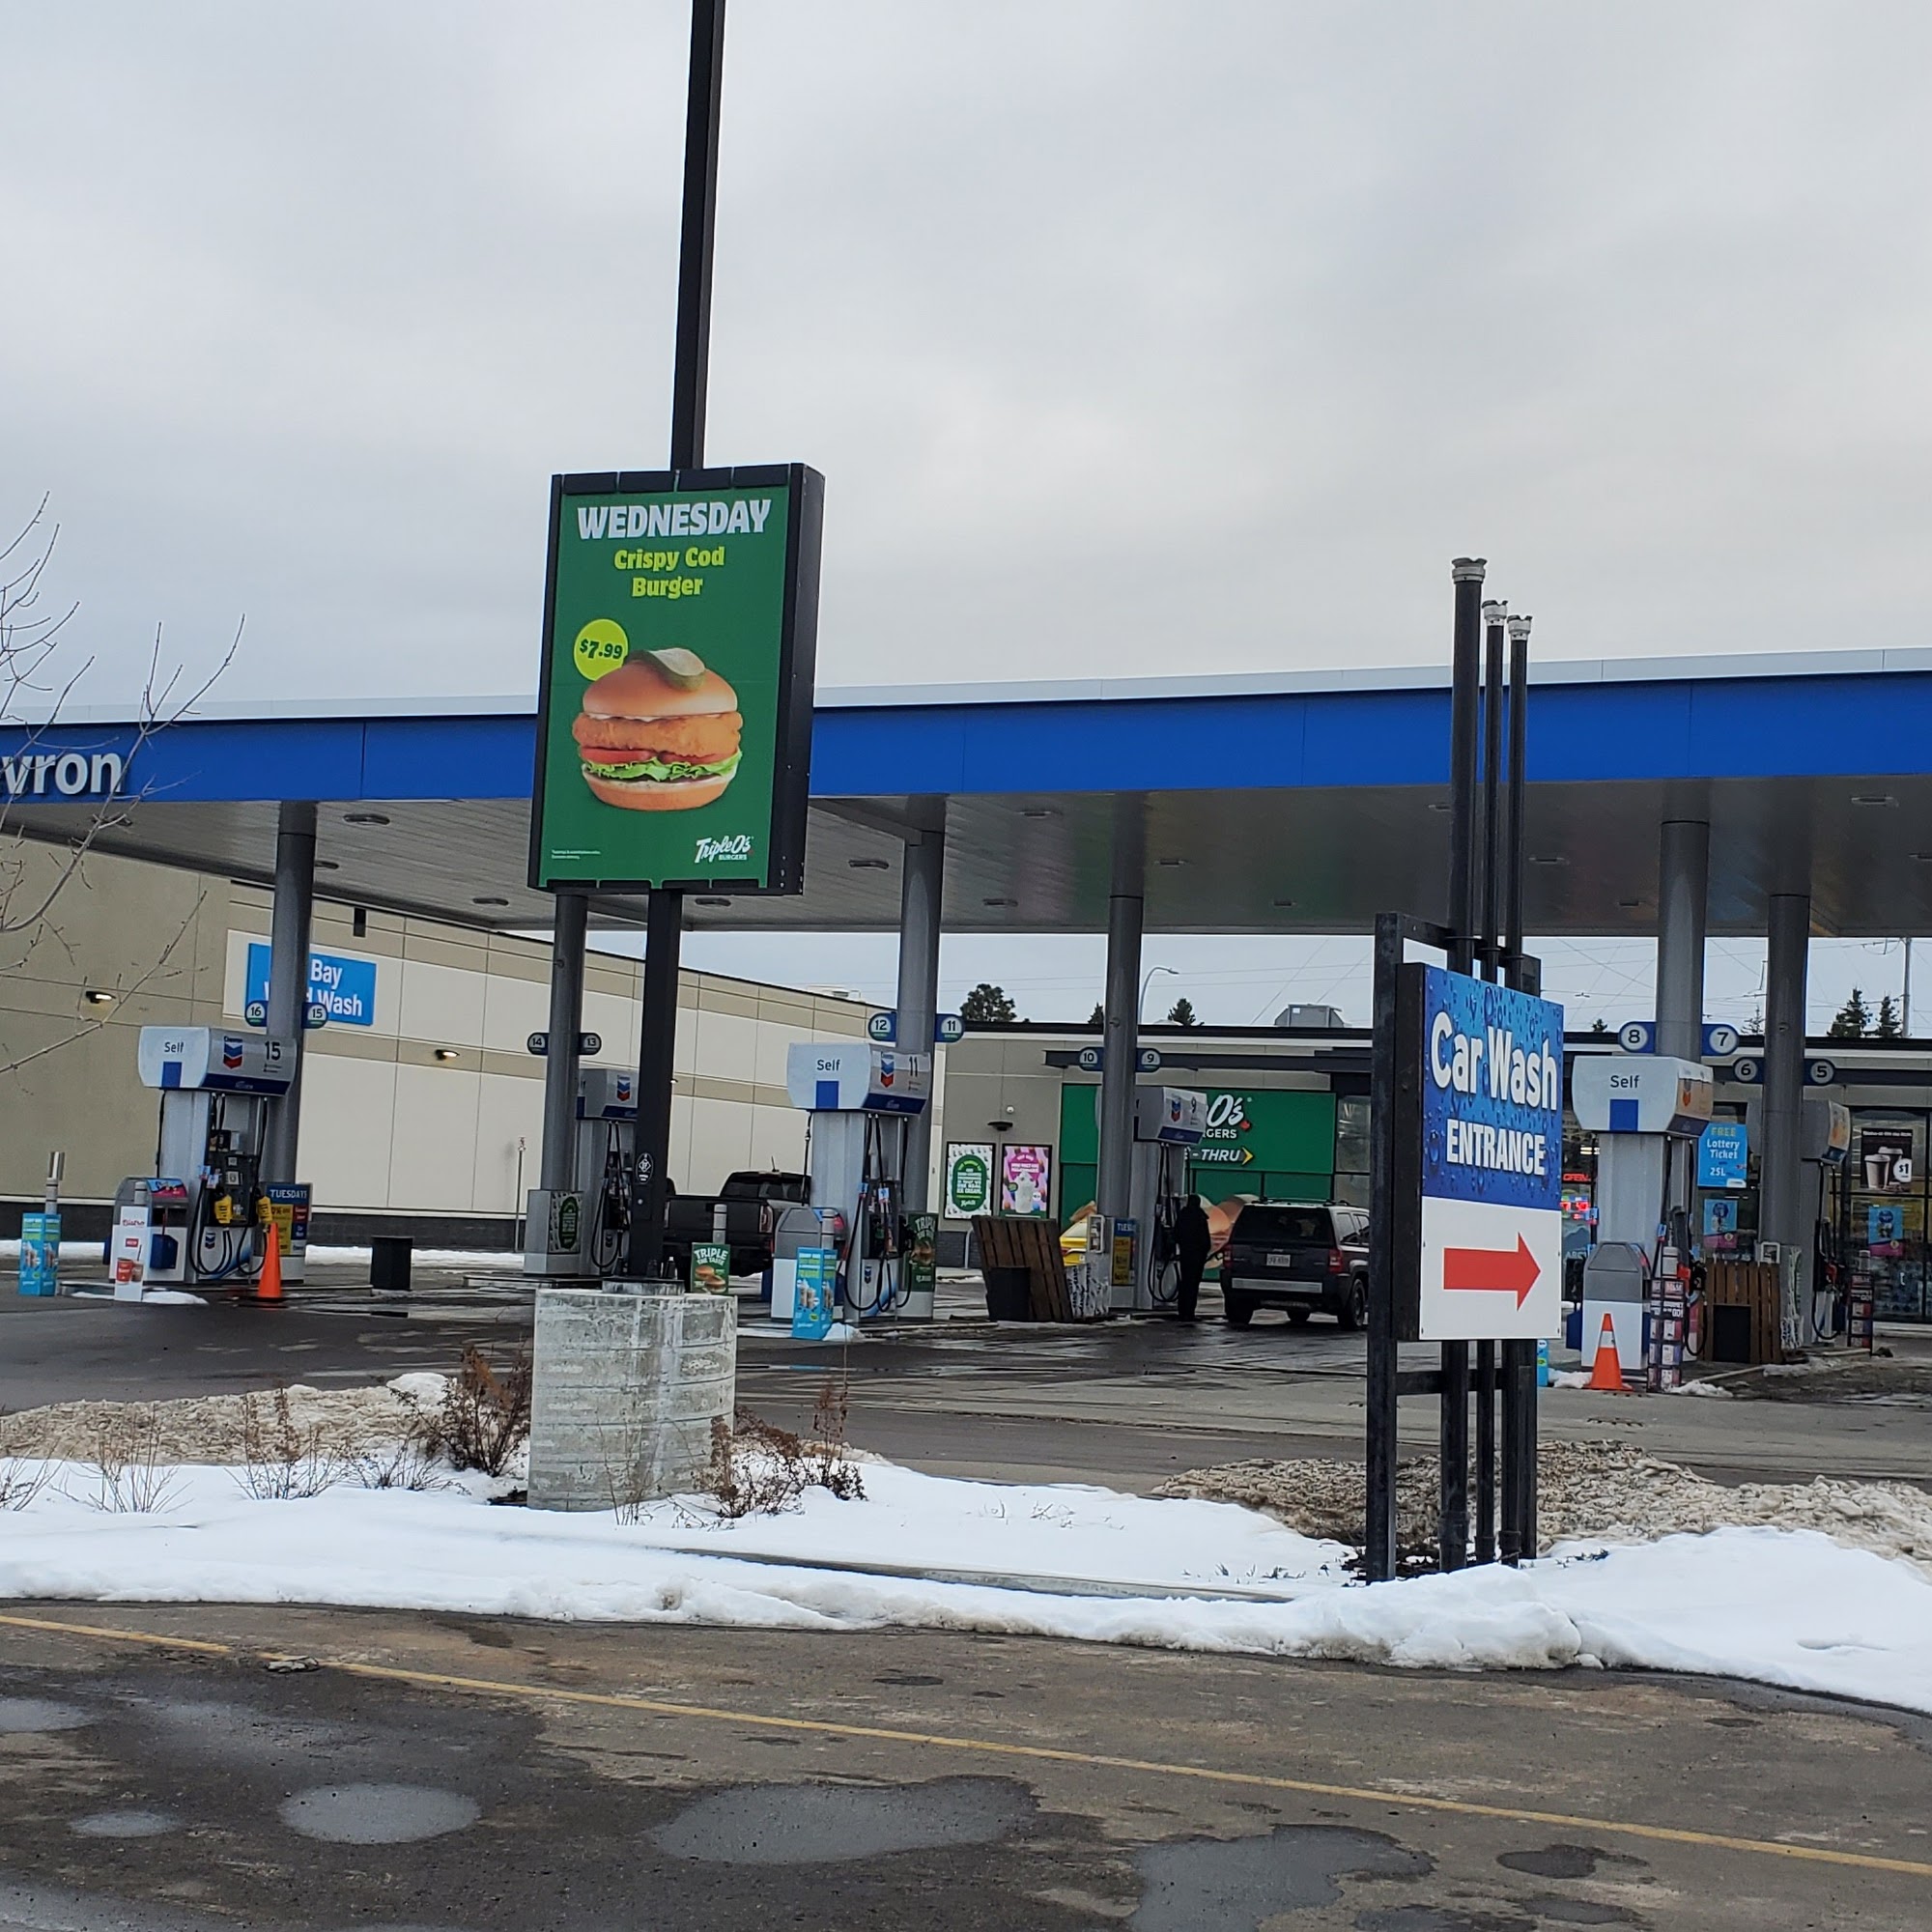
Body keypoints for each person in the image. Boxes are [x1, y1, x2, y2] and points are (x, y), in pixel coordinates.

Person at [1173, 1194, 1212, 1322]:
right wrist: (1204, 1252)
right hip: (1197, 1257)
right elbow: (1205, 1240)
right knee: (1193, 1285)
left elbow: (1176, 1235)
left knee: (1185, 1283)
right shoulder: (1200, 1217)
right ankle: (1189, 1312)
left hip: (1185, 1256)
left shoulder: (1183, 1216)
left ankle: (1182, 1311)